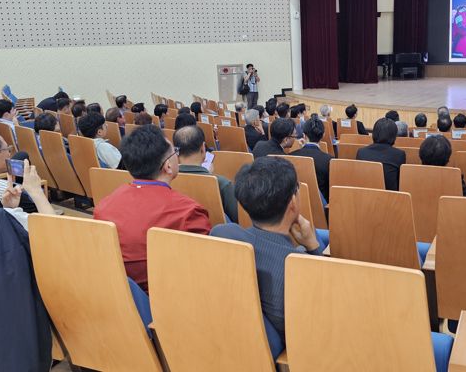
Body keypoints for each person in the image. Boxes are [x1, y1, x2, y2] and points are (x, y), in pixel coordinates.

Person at [211, 157, 325, 342]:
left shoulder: (221, 234)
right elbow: (327, 293)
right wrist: (313, 245)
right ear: (292, 203)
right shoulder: (300, 269)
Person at [94, 125, 210, 292]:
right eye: (174, 152)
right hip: (172, 297)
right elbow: (204, 269)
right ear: (168, 166)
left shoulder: (103, 207)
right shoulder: (188, 212)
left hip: (117, 296)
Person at [173, 126, 237, 223]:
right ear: (203, 148)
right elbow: (238, 220)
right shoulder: (222, 184)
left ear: (176, 151)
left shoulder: (168, 179)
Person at [356, 118, 406, 191]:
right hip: (389, 198)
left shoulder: (361, 152)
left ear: (374, 133)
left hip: (365, 196)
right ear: (394, 136)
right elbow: (399, 183)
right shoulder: (399, 155)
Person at [291, 116, 332, 201]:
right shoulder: (329, 160)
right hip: (321, 208)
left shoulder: (291, 156)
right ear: (323, 135)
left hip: (294, 203)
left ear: (304, 135)